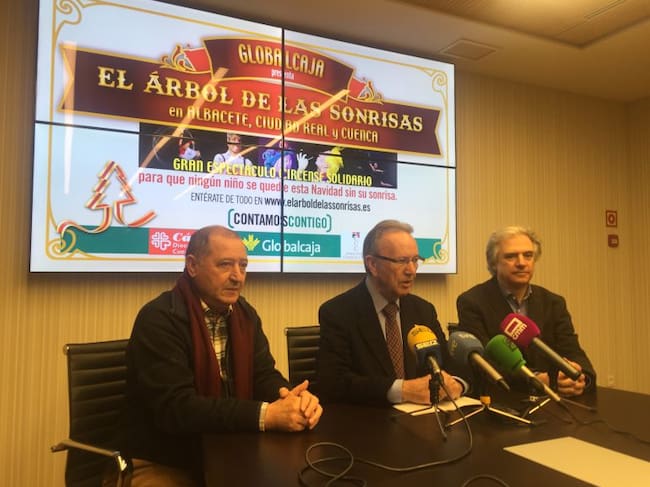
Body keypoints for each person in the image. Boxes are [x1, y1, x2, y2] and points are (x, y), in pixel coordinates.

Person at [121, 225, 322, 486]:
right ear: (192, 266)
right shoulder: (160, 318)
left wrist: (290, 398)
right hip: (164, 458)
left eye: (243, 266)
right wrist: (266, 415)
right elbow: (177, 408)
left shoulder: (245, 315)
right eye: (225, 265)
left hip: (233, 448)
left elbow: (263, 375)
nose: (237, 276)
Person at [317, 219, 466, 406]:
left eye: (415, 260)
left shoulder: (423, 310)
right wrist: (402, 390)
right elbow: (334, 383)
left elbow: (449, 366)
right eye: (402, 261)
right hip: (369, 419)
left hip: (424, 418)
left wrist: (457, 385)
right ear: (373, 264)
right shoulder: (338, 313)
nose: (411, 271)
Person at [456, 226, 596, 397]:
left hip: (552, 400)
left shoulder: (553, 302)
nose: (521, 263)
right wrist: (537, 380)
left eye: (528, 255)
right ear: (494, 263)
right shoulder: (472, 302)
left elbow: (573, 351)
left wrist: (581, 378)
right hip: (504, 400)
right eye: (511, 256)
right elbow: (484, 364)